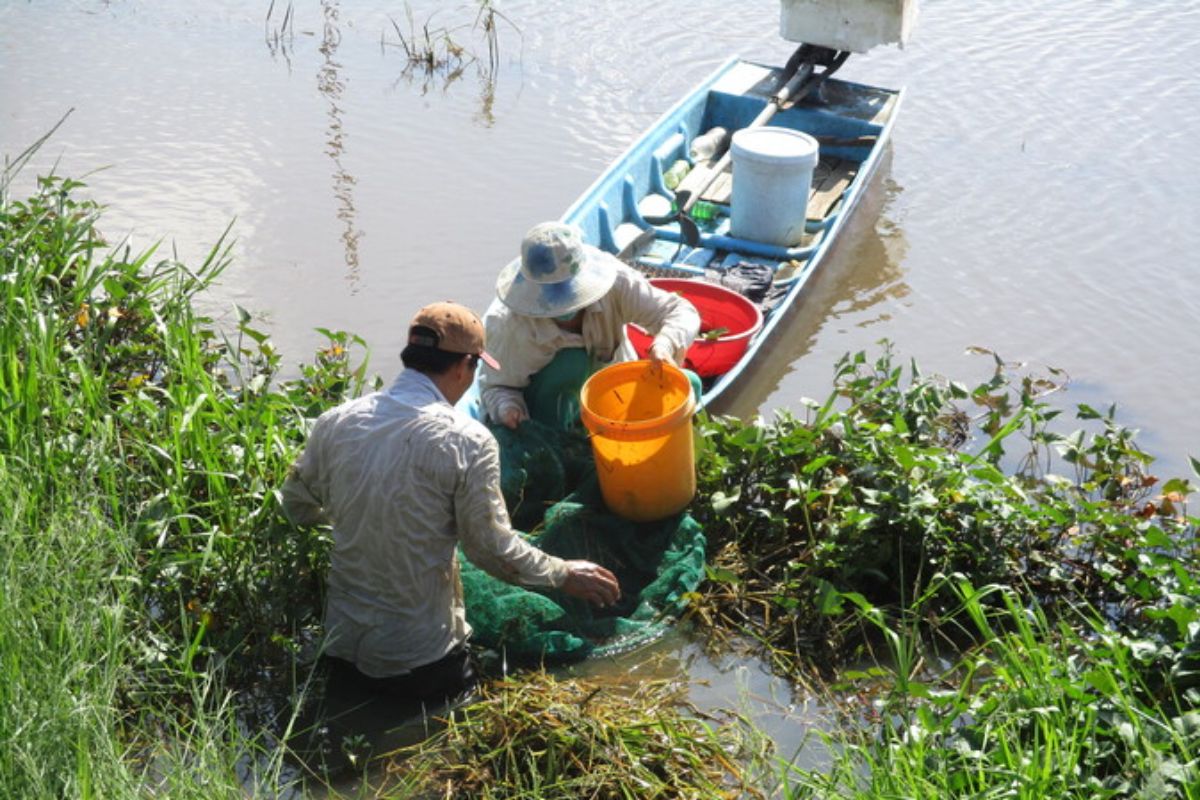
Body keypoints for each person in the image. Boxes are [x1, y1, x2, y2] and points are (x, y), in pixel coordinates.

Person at [280, 301, 621, 704]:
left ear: (410, 359)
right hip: (421, 659)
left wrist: (361, 522)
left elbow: (295, 507)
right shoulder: (467, 440)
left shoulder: (334, 421)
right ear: (465, 367)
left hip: (341, 648)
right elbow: (492, 551)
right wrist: (563, 573)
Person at [479, 221, 701, 429]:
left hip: (616, 399)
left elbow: (680, 311)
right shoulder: (508, 323)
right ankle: (568, 445)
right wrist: (509, 409)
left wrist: (664, 344)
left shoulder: (616, 283)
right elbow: (496, 387)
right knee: (571, 362)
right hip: (548, 417)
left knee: (690, 384)